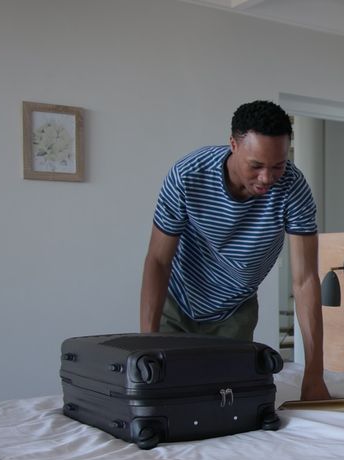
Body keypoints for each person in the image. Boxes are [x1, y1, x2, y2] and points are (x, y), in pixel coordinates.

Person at [140, 100, 331, 401]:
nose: (267, 178)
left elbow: (305, 279)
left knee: (227, 403)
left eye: (278, 165)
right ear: (233, 144)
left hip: (235, 309)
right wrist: (146, 348)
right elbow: (158, 261)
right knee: (169, 398)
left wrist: (314, 373)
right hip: (177, 303)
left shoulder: (293, 188)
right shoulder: (187, 176)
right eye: (256, 166)